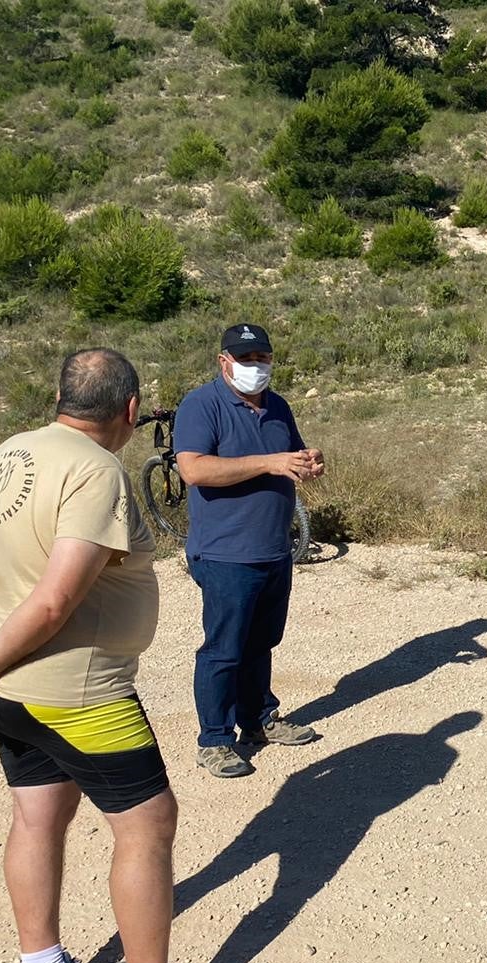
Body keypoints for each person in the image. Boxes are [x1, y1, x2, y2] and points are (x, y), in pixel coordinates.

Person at [0, 348, 245, 963]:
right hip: (79, 693)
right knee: (147, 826)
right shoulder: (96, 472)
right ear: (127, 411)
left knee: (37, 817)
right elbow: (56, 599)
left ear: (60, 397)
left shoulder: (10, 453)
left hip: (10, 693)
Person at [175, 323, 325, 779]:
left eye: (262, 358)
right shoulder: (201, 405)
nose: (255, 367)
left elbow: (291, 457)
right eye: (246, 359)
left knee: (262, 642)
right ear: (224, 362)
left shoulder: (279, 406)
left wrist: (308, 463)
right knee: (224, 649)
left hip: (273, 549)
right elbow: (194, 470)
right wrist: (270, 462)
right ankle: (215, 740)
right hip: (225, 554)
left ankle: (260, 721)